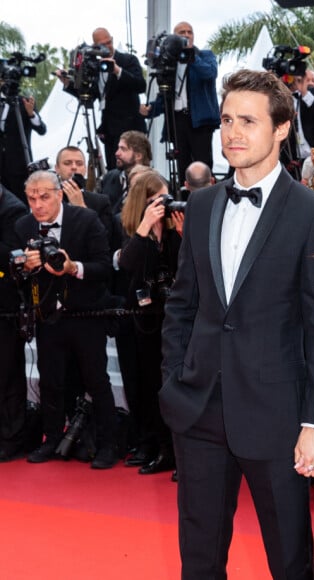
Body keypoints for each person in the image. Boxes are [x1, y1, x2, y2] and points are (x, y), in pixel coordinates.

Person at [160, 69, 314, 579]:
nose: (232, 133)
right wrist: (174, 380)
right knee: (198, 558)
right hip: (197, 408)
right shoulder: (200, 205)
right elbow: (182, 304)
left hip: (276, 416)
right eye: (225, 120)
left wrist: (311, 423)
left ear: (282, 128)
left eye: (248, 121)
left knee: (289, 559)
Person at [13, 170, 118, 469]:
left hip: (87, 314)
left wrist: (73, 267)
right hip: (49, 317)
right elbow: (16, 279)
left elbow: (104, 268)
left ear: (59, 194)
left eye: (44, 197)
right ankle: (51, 439)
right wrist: (26, 268)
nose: (37, 205)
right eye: (31, 198)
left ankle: (108, 445)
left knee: (96, 380)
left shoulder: (85, 220)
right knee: (51, 382)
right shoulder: (23, 226)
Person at [118, 170, 181, 476]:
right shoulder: (130, 229)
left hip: (169, 321)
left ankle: (171, 449)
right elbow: (126, 265)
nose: (162, 206)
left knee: (165, 388)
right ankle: (149, 443)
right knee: (140, 385)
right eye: (156, 199)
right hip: (139, 320)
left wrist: (182, 235)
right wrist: (144, 228)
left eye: (165, 198)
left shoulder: (174, 231)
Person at [55, 27, 146, 171]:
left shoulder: (128, 60)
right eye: (102, 45)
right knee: (113, 172)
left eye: (109, 42)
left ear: (113, 40)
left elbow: (140, 85)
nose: (107, 46)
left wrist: (117, 70)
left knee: (134, 171)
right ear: (95, 47)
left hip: (130, 129)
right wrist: (68, 83)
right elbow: (90, 96)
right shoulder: (96, 66)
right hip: (109, 129)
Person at [140, 21, 220, 184]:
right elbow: (165, 95)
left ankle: (207, 199)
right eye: (181, 32)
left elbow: (209, 73)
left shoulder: (204, 55)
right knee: (182, 165)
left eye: (189, 32)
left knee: (203, 164)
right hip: (177, 121)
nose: (186, 35)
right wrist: (151, 109)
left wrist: (191, 56)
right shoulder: (170, 60)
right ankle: (184, 201)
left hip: (199, 121)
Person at [0, 184, 29, 461]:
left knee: (8, 375)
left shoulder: (13, 209)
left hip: (7, 304)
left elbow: (10, 255)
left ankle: (12, 439)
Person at [54, 145, 113, 241]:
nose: (74, 167)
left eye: (79, 163)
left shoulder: (101, 202)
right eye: (67, 163)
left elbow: (106, 238)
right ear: (57, 168)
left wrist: (82, 207)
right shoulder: (49, 200)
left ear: (85, 169)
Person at [0, 89, 47, 203]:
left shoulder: (23, 102)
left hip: (19, 166)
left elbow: (42, 129)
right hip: (1, 168)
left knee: (21, 204)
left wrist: (31, 114)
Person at [99, 130, 153, 214]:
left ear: (138, 156)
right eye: (118, 148)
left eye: (123, 149)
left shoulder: (156, 183)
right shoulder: (109, 178)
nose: (117, 153)